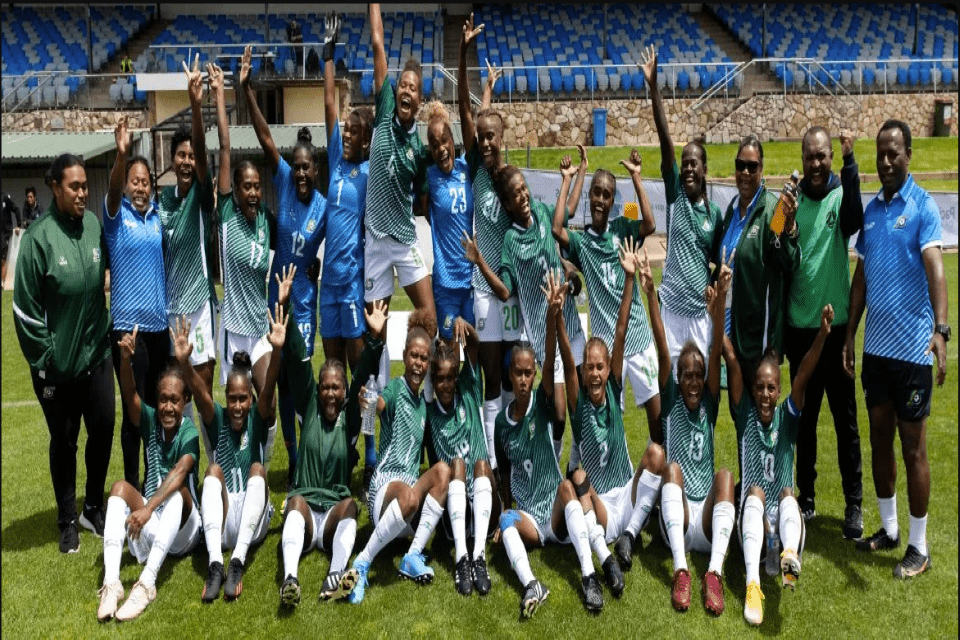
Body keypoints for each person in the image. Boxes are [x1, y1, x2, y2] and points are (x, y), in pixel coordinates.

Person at [844, 119, 949, 579]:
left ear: (909, 155)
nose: (886, 161)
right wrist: (849, 334)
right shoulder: (870, 211)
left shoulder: (923, 207)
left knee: (914, 452)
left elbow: (936, 270)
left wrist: (941, 331)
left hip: (911, 355)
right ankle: (887, 530)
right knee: (880, 442)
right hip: (877, 353)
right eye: (880, 154)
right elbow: (862, 277)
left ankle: (919, 547)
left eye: (894, 153)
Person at [13, 154, 114, 553]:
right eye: (74, 186)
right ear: (55, 187)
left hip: (97, 355)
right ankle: (67, 519)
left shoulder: (92, 225)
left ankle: (92, 506)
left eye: (86, 186)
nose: (82, 194)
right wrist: (48, 357)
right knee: (65, 441)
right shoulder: (38, 238)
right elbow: (23, 309)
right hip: (57, 369)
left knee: (103, 428)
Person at [561, 238, 670, 602]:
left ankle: (632, 534)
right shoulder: (578, 400)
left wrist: (628, 281)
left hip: (627, 492)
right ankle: (605, 560)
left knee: (656, 452)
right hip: (602, 508)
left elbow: (620, 331)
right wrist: (555, 316)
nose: (594, 373)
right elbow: (565, 355)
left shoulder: (613, 388)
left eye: (599, 367)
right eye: (589, 367)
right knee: (576, 480)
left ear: (609, 370)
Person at [495, 274, 609, 616]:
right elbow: (503, 469)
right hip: (529, 517)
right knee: (504, 521)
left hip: (555, 513)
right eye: (518, 373)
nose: (524, 379)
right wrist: (505, 505)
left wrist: (551, 315)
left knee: (564, 485)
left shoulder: (542, 403)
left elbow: (548, 358)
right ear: (510, 376)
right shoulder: (501, 422)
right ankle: (532, 583)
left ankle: (589, 577)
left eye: (529, 373)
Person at [241, 44, 327, 488]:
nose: (299, 172)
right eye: (295, 167)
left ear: (316, 168)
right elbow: (264, 139)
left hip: (306, 306)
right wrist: (248, 91)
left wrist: (318, 268)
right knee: (284, 388)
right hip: (277, 304)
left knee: (304, 382)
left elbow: (344, 246)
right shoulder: (283, 187)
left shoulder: (327, 207)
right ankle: (295, 460)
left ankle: (313, 455)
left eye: (306, 166)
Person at [463, 163, 587, 467]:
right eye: (515, 194)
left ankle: (575, 466)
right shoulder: (511, 241)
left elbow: (566, 212)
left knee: (581, 407)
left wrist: (574, 175)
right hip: (545, 338)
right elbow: (505, 291)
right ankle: (553, 468)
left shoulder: (543, 213)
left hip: (570, 326)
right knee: (558, 416)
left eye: (524, 189)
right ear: (507, 203)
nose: (523, 196)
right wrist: (479, 260)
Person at [277, 270, 387, 606]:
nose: (329, 393)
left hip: (332, 515)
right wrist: (288, 307)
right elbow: (297, 360)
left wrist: (375, 338)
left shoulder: (351, 419)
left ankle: (335, 575)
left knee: (352, 505)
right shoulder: (308, 405)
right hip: (307, 512)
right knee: (293, 502)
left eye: (335, 388)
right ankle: (290, 579)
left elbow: (362, 376)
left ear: (343, 393)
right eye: (325, 386)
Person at [725, 303, 834, 626]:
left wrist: (823, 334)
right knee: (755, 490)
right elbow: (730, 359)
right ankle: (753, 584)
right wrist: (717, 312)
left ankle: (788, 556)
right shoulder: (744, 415)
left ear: (780, 391)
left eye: (771, 388)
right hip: (753, 526)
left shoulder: (788, 416)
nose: (764, 394)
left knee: (788, 493)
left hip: (790, 531)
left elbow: (804, 374)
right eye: (759, 387)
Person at [643, 247, 736, 614]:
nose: (695, 382)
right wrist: (652, 293)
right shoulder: (671, 401)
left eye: (699, 376)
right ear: (677, 380)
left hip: (708, 518)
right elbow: (663, 346)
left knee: (726, 474)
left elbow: (714, 354)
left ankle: (713, 573)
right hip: (677, 520)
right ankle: (681, 571)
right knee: (672, 468)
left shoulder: (710, 404)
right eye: (688, 377)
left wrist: (721, 302)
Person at [552, 146, 660, 444]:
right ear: (590, 196)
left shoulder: (623, 225)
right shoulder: (582, 241)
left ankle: (655, 479)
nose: (600, 198)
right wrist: (569, 178)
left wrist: (636, 178)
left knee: (658, 421)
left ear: (613, 200)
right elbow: (557, 226)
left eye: (607, 194)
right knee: (610, 425)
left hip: (638, 338)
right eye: (596, 192)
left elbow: (649, 222)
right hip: (608, 350)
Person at [175, 303, 283, 602]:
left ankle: (236, 562)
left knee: (258, 470)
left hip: (253, 520)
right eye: (232, 399)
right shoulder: (218, 419)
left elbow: (270, 386)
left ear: (251, 399)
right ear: (226, 398)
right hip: (219, 520)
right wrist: (185, 364)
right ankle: (214, 563)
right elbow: (199, 393)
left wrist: (276, 352)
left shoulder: (258, 419)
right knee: (213, 471)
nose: (236, 406)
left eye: (243, 400)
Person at [786, 127, 864, 533]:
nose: (816, 164)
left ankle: (854, 504)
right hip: (801, 329)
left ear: (830, 157)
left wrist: (851, 164)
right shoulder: (793, 199)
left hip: (835, 333)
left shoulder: (840, 192)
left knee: (845, 420)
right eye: (809, 157)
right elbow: (777, 249)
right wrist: (782, 209)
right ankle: (807, 497)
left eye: (823, 157)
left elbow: (853, 221)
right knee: (805, 418)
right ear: (801, 158)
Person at [345, 310, 452, 604]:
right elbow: (377, 405)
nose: (418, 364)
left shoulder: (422, 405)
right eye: (414, 356)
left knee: (443, 471)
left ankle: (412, 555)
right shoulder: (395, 388)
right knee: (409, 497)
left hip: (408, 496)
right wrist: (367, 401)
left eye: (423, 358)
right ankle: (362, 563)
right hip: (386, 490)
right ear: (404, 356)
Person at [96, 337, 201, 622]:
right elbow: (130, 394)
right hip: (152, 519)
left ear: (186, 401)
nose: (168, 407)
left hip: (183, 531)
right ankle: (113, 583)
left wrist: (147, 508)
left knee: (178, 492)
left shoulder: (189, 433)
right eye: (163, 399)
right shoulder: (150, 418)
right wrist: (126, 360)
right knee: (118, 488)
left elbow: (180, 473)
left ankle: (146, 583)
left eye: (175, 400)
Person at [458, 14, 521, 470]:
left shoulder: (509, 177)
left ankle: (517, 446)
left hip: (511, 286)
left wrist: (490, 98)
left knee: (514, 369)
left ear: (503, 139)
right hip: (484, 288)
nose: (484, 142)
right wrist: (464, 55)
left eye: (491, 137)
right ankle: (491, 458)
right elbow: (471, 113)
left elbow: (487, 124)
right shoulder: (478, 169)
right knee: (489, 375)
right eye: (480, 138)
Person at [639, 45, 723, 379]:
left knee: (700, 386)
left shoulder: (715, 214)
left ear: (704, 169)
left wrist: (714, 284)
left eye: (693, 164)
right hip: (671, 311)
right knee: (672, 385)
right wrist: (654, 87)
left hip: (700, 315)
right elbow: (665, 141)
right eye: (684, 163)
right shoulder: (675, 199)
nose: (687, 169)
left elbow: (717, 261)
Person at [364, 2, 436, 388]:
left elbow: (424, 198)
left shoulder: (421, 150)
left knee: (429, 316)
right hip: (375, 240)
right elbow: (378, 44)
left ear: (420, 101)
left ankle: (418, 387)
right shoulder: (384, 106)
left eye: (414, 88)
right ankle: (376, 418)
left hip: (404, 239)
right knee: (375, 329)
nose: (406, 90)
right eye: (403, 84)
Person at [321, 17, 378, 501]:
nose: (344, 133)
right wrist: (328, 55)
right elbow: (328, 106)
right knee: (332, 377)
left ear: (365, 137)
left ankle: (369, 459)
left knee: (362, 378)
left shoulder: (366, 172)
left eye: (352, 130)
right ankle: (340, 459)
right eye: (343, 130)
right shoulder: (336, 162)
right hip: (328, 290)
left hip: (356, 287)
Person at [158, 54, 218, 463]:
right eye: (179, 155)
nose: (186, 161)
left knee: (203, 397)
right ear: (171, 161)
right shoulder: (161, 201)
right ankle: (181, 474)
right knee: (173, 402)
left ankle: (216, 470)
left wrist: (196, 103)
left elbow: (201, 149)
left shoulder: (199, 194)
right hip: (168, 313)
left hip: (198, 311)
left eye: (191, 156)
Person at [104, 116, 169, 490]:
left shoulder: (157, 218)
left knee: (157, 411)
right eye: (134, 181)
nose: (140, 187)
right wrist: (121, 154)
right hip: (128, 331)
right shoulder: (116, 215)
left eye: (145, 181)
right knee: (134, 411)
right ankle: (131, 485)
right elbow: (112, 191)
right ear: (126, 186)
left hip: (159, 329)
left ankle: (152, 480)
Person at [208, 63, 272, 398]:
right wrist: (221, 93)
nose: (252, 192)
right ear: (234, 190)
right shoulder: (229, 214)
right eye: (246, 186)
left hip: (259, 328)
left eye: (257, 186)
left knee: (267, 401)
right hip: (233, 329)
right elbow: (224, 146)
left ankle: (263, 452)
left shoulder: (264, 220)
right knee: (239, 407)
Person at [424, 317, 499, 596]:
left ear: (457, 378)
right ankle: (461, 560)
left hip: (485, 499)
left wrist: (465, 327)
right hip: (454, 509)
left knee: (480, 463)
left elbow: (476, 346)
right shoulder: (430, 411)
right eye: (439, 378)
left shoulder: (468, 390)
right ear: (434, 380)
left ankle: (478, 557)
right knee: (457, 463)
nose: (445, 384)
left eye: (450, 378)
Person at [720, 136, 800, 393]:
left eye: (752, 166)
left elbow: (787, 260)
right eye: (740, 165)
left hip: (760, 345)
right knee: (740, 420)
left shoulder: (771, 211)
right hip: (733, 338)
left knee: (759, 424)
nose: (745, 172)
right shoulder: (731, 210)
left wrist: (788, 225)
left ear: (761, 169)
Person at [2, 191, 21, 282]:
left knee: (2, 259)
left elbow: (16, 209)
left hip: (4, 233)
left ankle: (2, 283)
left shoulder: (5, 198)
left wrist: (18, 225)